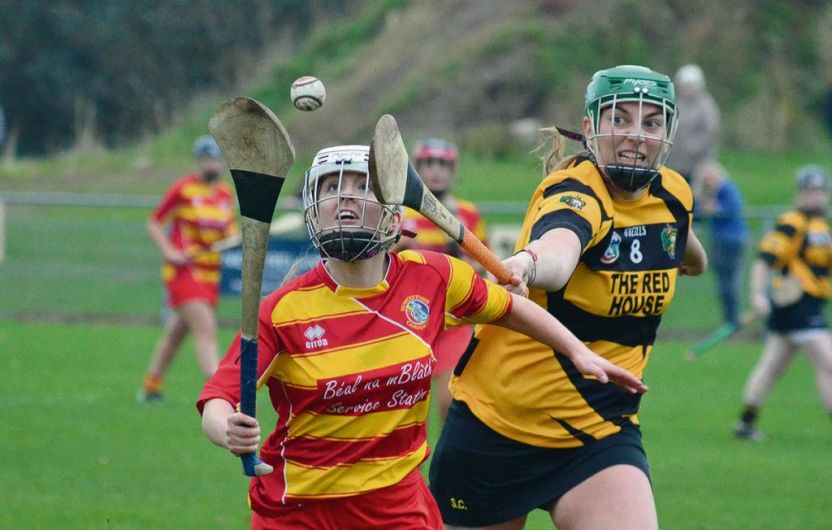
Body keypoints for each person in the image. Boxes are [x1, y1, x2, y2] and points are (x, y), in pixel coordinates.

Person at [196, 145, 646, 530]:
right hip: (299, 513)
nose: (345, 198)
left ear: (392, 208)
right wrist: (226, 429)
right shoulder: (282, 311)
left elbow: (510, 307)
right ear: (314, 206)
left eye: (361, 186)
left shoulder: (432, 278)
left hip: (399, 511)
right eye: (331, 188)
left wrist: (576, 351)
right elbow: (219, 396)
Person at [428, 64, 708, 530]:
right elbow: (559, 249)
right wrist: (527, 265)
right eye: (619, 119)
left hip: (600, 433)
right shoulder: (574, 190)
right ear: (590, 128)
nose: (636, 135)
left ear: (669, 131)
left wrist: (690, 259)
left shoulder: (675, 195)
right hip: (498, 427)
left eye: (651, 122)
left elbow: (684, 247)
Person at [734, 165, 832, 441]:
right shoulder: (792, 223)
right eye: (810, 191)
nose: (816, 197)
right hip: (796, 305)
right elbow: (765, 260)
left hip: (810, 305)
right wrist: (757, 295)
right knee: (829, 363)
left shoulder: (822, 227)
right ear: (800, 194)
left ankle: (746, 423)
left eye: (820, 191)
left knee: (773, 365)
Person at [395, 138, 488, 422]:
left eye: (443, 164)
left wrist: (462, 254)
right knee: (400, 411)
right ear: (416, 169)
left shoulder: (467, 214)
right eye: (428, 164)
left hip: (453, 318)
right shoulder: (399, 213)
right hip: (407, 319)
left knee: (451, 403)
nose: (436, 171)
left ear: (454, 171)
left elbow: (485, 267)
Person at [138, 135, 237, 401]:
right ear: (198, 162)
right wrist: (171, 252)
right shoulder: (183, 189)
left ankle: (151, 386)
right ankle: (223, 395)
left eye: (217, 159)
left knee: (175, 334)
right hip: (184, 274)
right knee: (206, 330)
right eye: (207, 159)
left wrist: (236, 239)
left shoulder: (225, 194)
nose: (213, 164)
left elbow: (229, 233)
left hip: (210, 274)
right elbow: (154, 223)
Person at [695, 160, 749, 326]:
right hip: (719, 241)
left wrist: (711, 208)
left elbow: (730, 209)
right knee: (723, 284)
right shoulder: (710, 193)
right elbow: (696, 211)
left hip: (732, 240)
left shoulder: (727, 189)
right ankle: (729, 320)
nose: (709, 182)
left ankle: (734, 321)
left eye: (711, 178)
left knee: (730, 283)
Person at [666, 63, 720, 184]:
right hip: (677, 162)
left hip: (699, 163)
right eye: (684, 85)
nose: (687, 88)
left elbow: (710, 131)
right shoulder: (679, 103)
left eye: (690, 85)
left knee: (696, 196)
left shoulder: (706, 105)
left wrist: (692, 148)